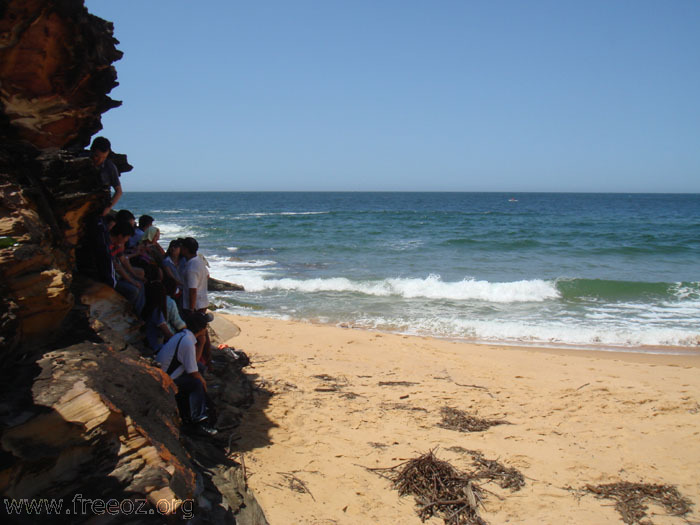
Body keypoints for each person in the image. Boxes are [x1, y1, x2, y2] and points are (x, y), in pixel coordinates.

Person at [155, 311, 217, 436]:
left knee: (199, 369)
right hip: (166, 380)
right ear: (202, 328)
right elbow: (193, 373)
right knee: (196, 383)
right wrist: (203, 385)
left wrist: (202, 343)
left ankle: (193, 411)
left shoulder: (184, 336)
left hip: (166, 375)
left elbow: (193, 363)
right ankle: (198, 420)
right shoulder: (187, 342)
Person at [90, 137, 122, 216]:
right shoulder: (81, 161)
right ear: (91, 151)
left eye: (103, 157)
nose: (100, 161)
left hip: (101, 206)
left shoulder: (109, 166)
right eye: (97, 156)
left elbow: (119, 191)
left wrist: (108, 207)